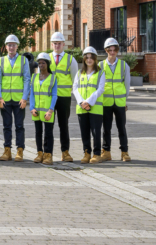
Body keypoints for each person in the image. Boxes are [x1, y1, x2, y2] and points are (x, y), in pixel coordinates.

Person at [0, 34, 30, 162]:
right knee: (6, 126)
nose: (11, 47)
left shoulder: (23, 60)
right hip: (5, 99)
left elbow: (27, 79)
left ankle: (19, 151)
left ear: (17, 46)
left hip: (19, 99)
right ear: (6, 46)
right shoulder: (1, 61)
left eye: (13, 45)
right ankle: (7, 150)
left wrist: (24, 98)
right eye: (9, 45)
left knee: (19, 126)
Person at [100, 37, 131, 162]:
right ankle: (106, 152)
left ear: (117, 51)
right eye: (110, 50)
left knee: (121, 128)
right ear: (106, 51)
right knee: (106, 128)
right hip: (106, 102)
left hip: (119, 102)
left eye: (114, 50)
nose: (112, 53)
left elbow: (127, 85)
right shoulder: (100, 65)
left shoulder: (124, 65)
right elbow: (98, 85)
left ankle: (124, 152)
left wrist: (124, 101)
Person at [48, 32, 77, 163]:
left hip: (64, 98)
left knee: (63, 126)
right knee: (48, 125)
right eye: (55, 43)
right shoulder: (46, 58)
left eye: (59, 43)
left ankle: (65, 152)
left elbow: (75, 80)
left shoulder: (71, 60)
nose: (57, 45)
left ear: (63, 44)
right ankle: (48, 153)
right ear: (51, 44)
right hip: (48, 98)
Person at [75, 46, 105, 164]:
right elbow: (75, 88)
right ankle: (86, 153)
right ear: (84, 59)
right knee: (84, 132)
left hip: (95, 107)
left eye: (91, 57)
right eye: (87, 57)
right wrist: (82, 102)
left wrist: (88, 101)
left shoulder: (100, 73)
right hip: (82, 108)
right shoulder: (79, 73)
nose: (89, 60)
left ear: (95, 58)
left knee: (96, 132)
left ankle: (96, 154)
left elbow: (100, 89)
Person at [30, 53, 58, 165]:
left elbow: (54, 95)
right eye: (39, 63)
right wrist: (31, 108)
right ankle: (39, 153)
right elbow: (32, 94)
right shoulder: (34, 77)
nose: (41, 65)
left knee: (48, 133)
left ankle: (48, 154)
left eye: (43, 63)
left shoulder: (53, 78)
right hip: (36, 110)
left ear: (48, 64)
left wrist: (51, 110)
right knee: (38, 133)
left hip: (47, 111)